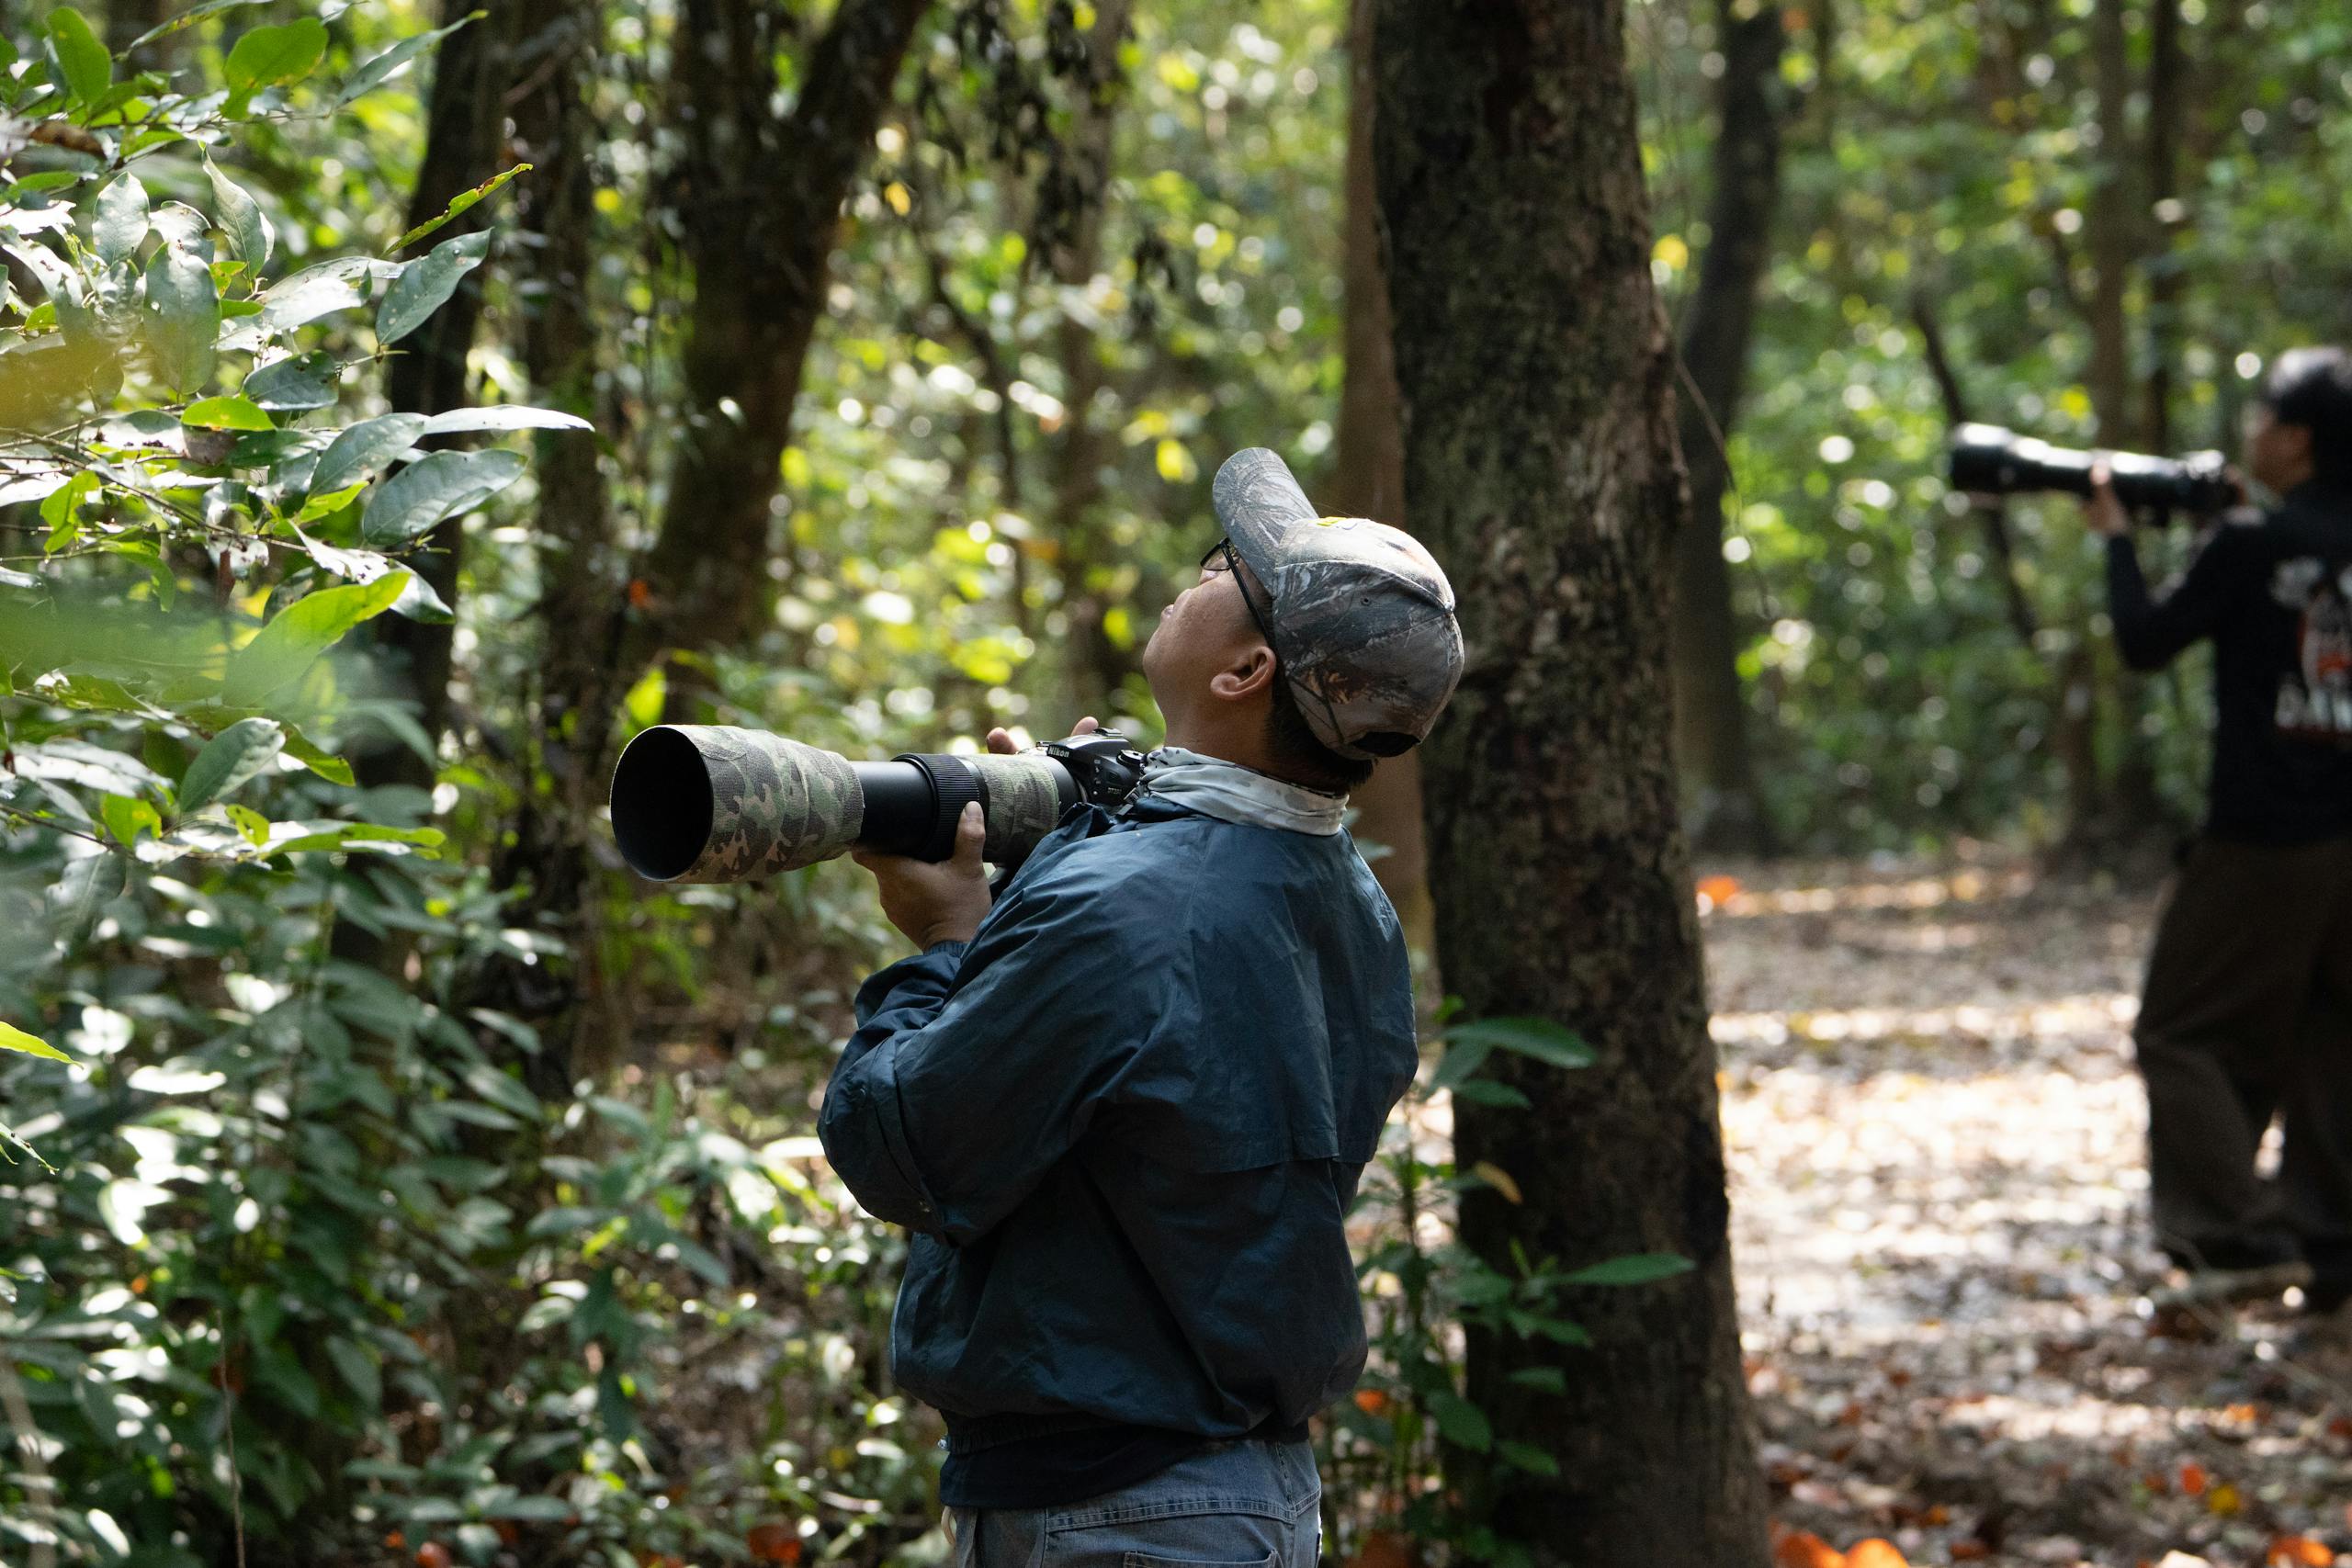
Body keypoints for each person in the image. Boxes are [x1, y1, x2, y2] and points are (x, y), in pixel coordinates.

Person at [817, 447, 1464, 1559]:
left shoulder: (1125, 909)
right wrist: (1069, 857)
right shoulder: (1345, 898)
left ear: (1244, 670)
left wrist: (946, 939)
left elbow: (906, 1149)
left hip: (1113, 1515)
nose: (1199, 571)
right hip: (1240, 1496)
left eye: (1225, 569)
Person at [2088, 346, 2352, 1322]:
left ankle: (2236, 1234)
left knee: (2176, 1030)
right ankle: (2332, 1252)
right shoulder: (2263, 540)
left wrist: (2116, 536)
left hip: (2263, 832)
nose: (2248, 432)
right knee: (2329, 1036)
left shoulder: (2252, 548)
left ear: (2293, 439)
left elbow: (2143, 640)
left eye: (2259, 418)